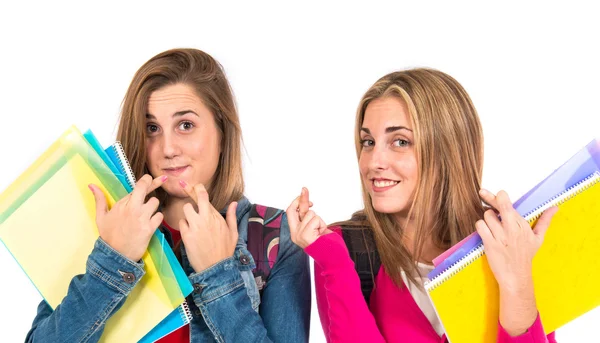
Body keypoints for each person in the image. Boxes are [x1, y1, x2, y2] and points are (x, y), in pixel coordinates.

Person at [26, 48, 311, 343]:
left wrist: (218, 276)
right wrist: (114, 259)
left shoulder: (275, 237)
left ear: (222, 131)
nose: (168, 148)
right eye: (152, 128)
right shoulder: (107, 221)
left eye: (185, 125)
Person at [286, 68, 558, 342]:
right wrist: (333, 261)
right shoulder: (343, 249)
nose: (372, 162)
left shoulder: (512, 244)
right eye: (368, 142)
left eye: (400, 141)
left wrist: (518, 286)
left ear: (447, 150)